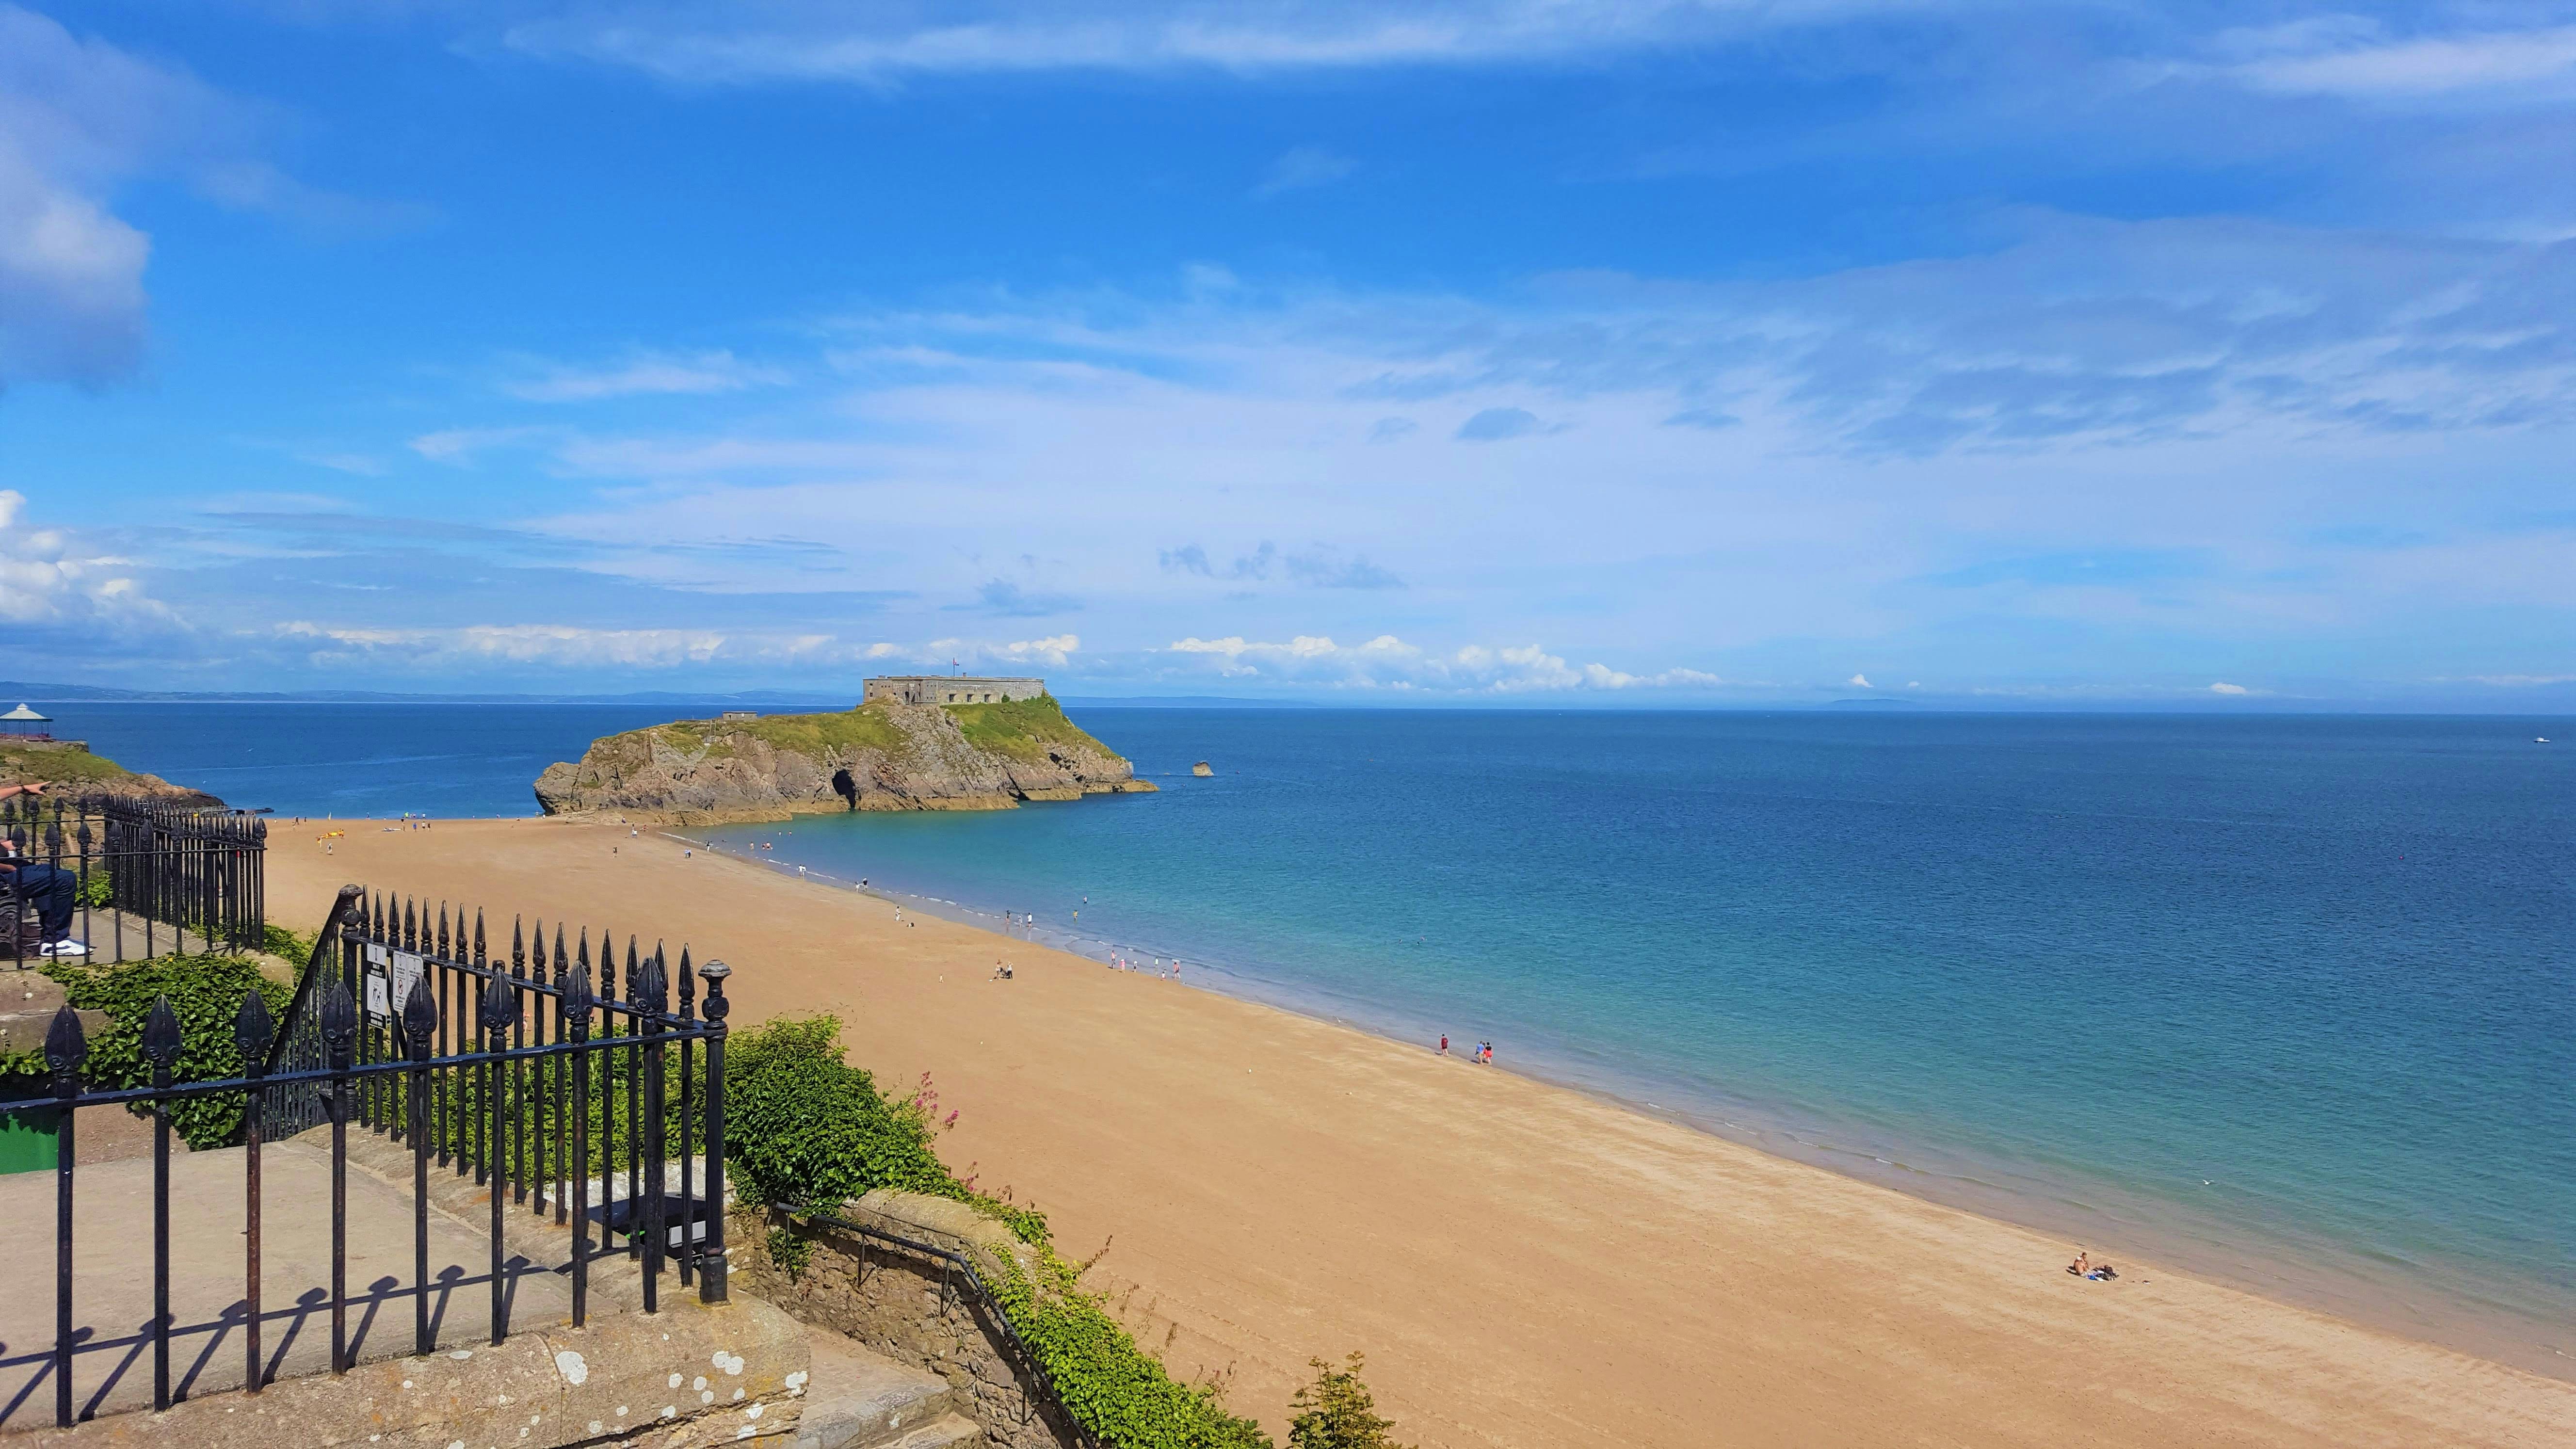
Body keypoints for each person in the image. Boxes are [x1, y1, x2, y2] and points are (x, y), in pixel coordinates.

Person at [0, 788, 86, 957]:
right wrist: (8, 867)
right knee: (64, 879)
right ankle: (56, 940)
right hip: (4, 874)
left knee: (51, 871)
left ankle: (51, 935)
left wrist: (23, 788)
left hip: (9, 866)